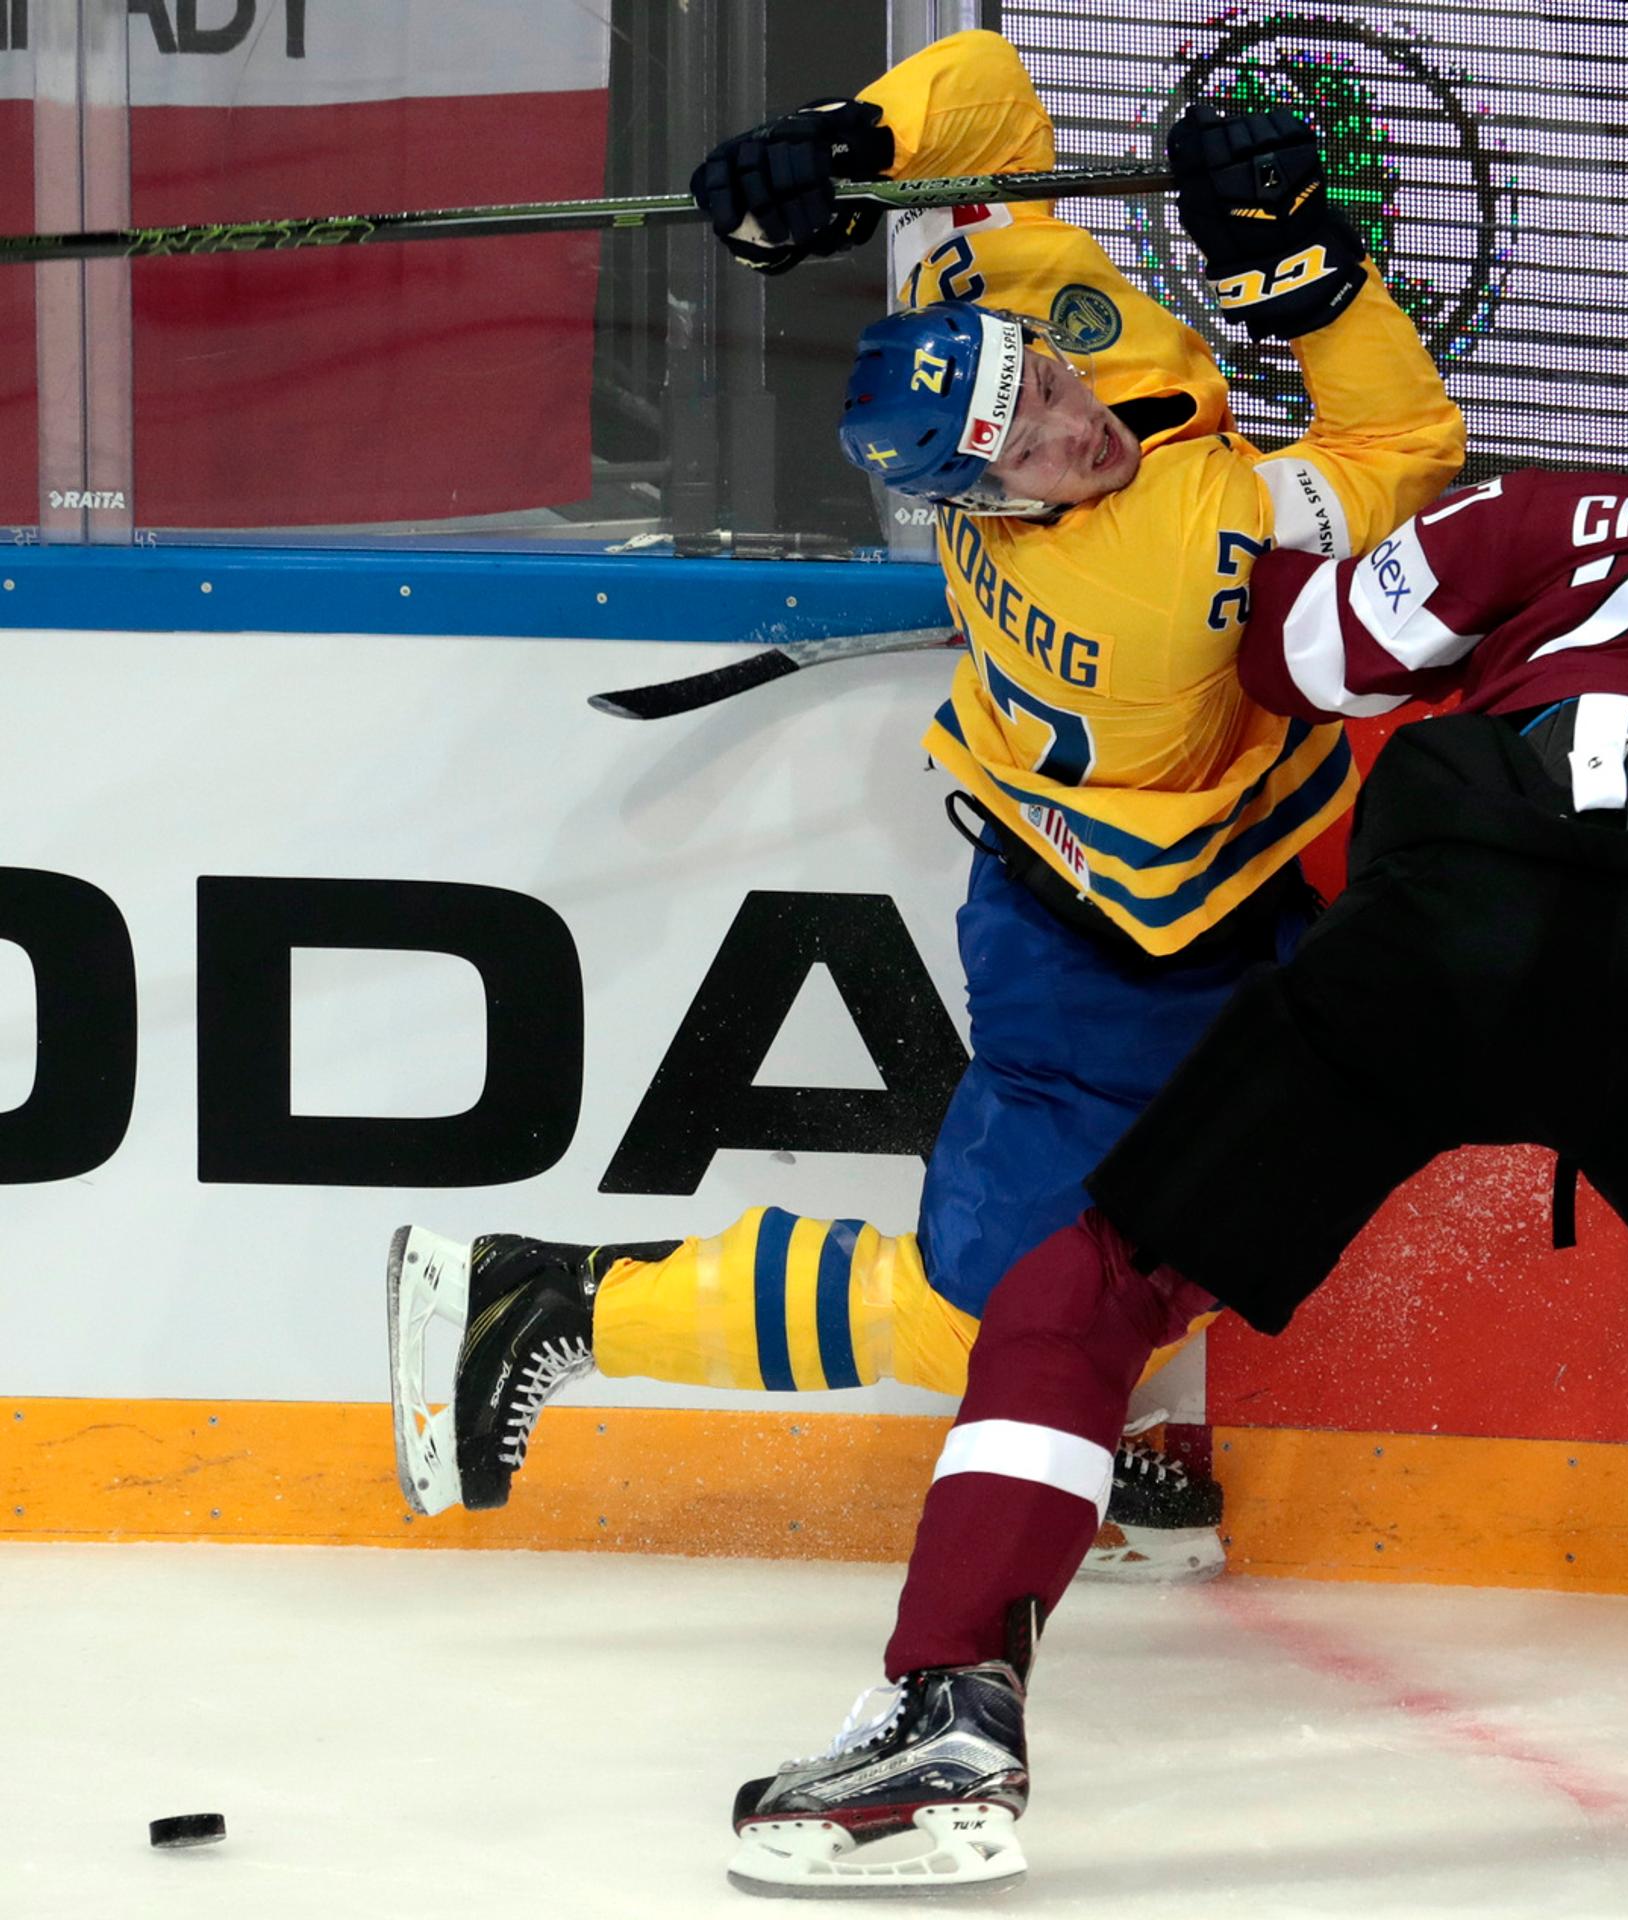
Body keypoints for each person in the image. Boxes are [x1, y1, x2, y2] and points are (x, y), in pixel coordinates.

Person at [721, 325, 1628, 1893]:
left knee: (1096, 1284)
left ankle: (954, 1699)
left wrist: (1207, 542)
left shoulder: (1546, 516)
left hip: (1444, 920)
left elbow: (1305, 656)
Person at [385, 29, 1462, 1587]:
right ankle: (545, 1295)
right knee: (981, 1300)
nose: (1073, 424)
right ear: (985, 504)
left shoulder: (980, 317)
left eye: (1049, 387)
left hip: (1180, 894)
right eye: (1030, 446)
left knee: (1248, 1182)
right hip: (1112, 955)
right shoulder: (1172, 567)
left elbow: (990, 92)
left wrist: (843, 143)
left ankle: (1128, 1431)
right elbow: (1406, 449)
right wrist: (1306, 276)